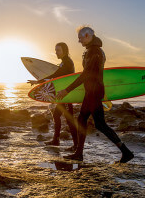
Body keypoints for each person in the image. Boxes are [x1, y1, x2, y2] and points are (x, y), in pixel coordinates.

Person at [57, 26, 134, 163]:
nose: (79, 41)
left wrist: (67, 90)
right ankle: (79, 153)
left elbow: (86, 74)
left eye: (80, 38)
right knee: (83, 120)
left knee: (100, 125)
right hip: (91, 92)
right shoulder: (93, 50)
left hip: (94, 92)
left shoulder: (95, 51)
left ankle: (125, 152)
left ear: (87, 36)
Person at [28, 42, 77, 150]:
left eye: (58, 50)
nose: (56, 52)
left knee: (69, 119)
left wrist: (38, 82)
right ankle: (56, 140)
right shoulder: (63, 63)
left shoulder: (67, 62)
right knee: (56, 116)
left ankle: (76, 145)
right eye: (55, 50)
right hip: (63, 95)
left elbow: (54, 76)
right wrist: (38, 82)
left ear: (65, 51)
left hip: (66, 95)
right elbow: (54, 76)